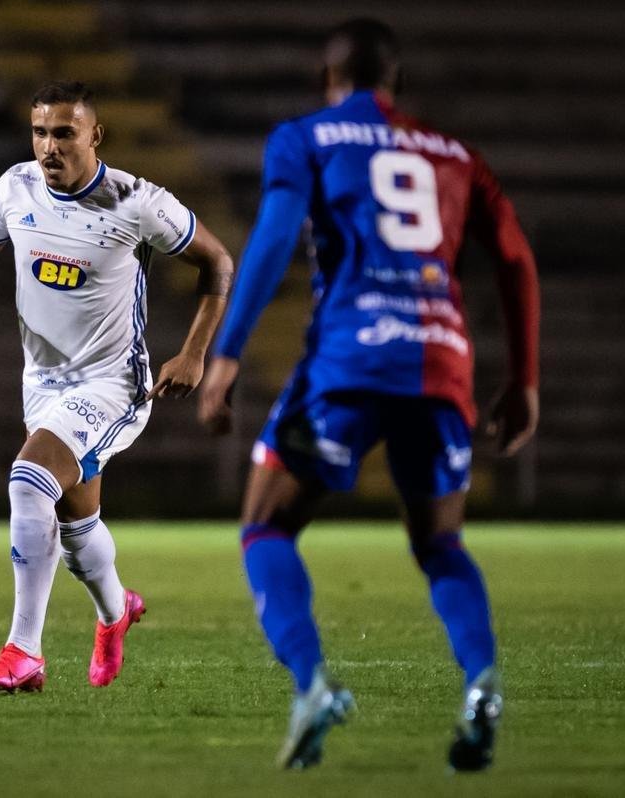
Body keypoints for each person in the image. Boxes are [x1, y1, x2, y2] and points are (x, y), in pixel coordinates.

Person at [198, 19, 539, 772]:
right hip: (442, 364)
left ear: (330, 82)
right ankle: (481, 682)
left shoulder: (306, 138)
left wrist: (227, 353)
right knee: (440, 543)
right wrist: (524, 378)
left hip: (350, 361)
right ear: (396, 85)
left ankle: (312, 686)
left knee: (265, 526)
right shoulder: (457, 155)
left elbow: (277, 234)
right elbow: (514, 258)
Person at [0, 81, 234, 692]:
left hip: (114, 382)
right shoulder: (15, 188)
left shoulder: (138, 202)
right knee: (76, 523)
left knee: (29, 480)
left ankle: (23, 653)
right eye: (40, 132)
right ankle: (117, 614)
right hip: (42, 383)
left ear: (95, 135)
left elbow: (218, 263)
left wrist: (194, 352)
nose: (49, 147)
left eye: (64, 132)